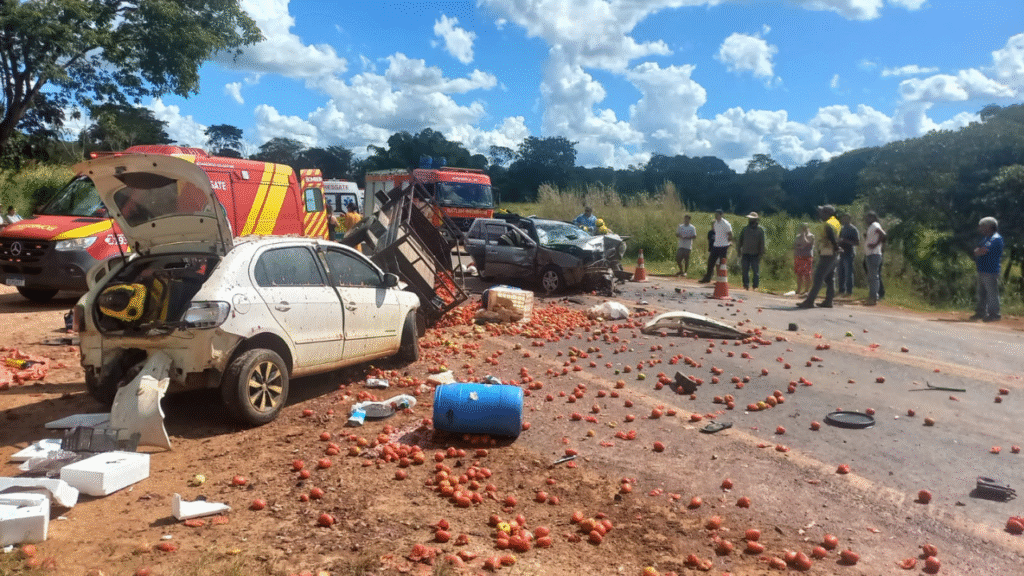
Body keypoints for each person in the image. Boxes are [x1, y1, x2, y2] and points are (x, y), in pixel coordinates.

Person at [797, 205, 841, 308]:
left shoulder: (828, 224)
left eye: (822, 212)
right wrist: (837, 247)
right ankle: (829, 301)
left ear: (827, 213)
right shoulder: (836, 222)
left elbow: (830, 234)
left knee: (818, 277)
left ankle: (809, 301)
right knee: (830, 278)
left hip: (827, 252)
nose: (820, 213)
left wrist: (835, 246)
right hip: (833, 254)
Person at [971, 216, 1003, 322]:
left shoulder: (994, 238)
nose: (980, 228)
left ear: (989, 227)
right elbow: (977, 249)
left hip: (990, 270)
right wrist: (978, 251)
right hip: (983, 269)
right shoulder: (986, 238)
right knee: (982, 292)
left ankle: (994, 314)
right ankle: (981, 312)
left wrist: (978, 251)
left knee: (991, 293)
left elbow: (982, 251)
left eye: (982, 226)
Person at [699, 209, 733, 283]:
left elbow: (730, 234)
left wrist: (728, 242)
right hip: (716, 245)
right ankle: (708, 278)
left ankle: (721, 280)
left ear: (721, 215)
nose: (716, 216)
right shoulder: (715, 223)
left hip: (723, 246)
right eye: (715, 214)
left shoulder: (726, 224)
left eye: (718, 214)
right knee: (711, 262)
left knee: (722, 264)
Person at [738, 212, 766, 290]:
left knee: (755, 271)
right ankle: (746, 285)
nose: (750, 220)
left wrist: (761, 253)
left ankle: (755, 286)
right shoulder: (745, 229)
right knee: (745, 270)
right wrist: (739, 250)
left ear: (756, 219)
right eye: (750, 218)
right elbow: (740, 240)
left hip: (755, 253)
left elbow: (762, 242)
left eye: (752, 218)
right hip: (745, 252)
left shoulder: (760, 230)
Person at [863, 211, 886, 306]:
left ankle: (873, 297)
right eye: (867, 217)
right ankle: (872, 296)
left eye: (869, 217)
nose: (867, 219)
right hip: (870, 254)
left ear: (873, 218)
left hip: (874, 254)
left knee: (873, 276)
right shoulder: (871, 227)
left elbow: (883, 235)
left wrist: (875, 244)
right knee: (872, 276)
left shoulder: (875, 225)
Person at [837, 212, 859, 296]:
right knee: (840, 272)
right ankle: (841, 290)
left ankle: (849, 291)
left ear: (850, 219)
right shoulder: (841, 229)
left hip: (849, 253)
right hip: (841, 253)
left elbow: (857, 242)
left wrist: (845, 241)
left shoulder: (853, 229)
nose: (844, 220)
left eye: (846, 218)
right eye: (843, 218)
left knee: (848, 273)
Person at [793, 223, 814, 295]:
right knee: (799, 274)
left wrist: (804, 236)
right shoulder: (798, 236)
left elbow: (807, 244)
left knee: (807, 274)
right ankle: (798, 289)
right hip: (799, 256)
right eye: (802, 227)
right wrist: (801, 245)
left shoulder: (811, 236)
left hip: (807, 257)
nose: (803, 229)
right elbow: (796, 245)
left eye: (805, 227)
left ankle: (806, 290)